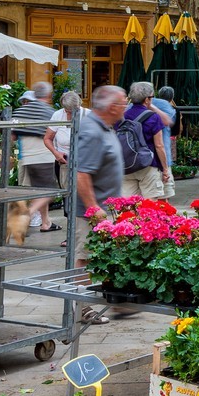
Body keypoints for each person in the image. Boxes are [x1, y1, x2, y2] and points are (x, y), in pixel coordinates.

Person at [73, 86, 126, 323]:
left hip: (107, 208)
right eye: (123, 103)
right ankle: (82, 308)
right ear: (112, 107)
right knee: (86, 257)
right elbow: (82, 174)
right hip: (93, 212)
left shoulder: (105, 127)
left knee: (107, 256)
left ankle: (116, 301)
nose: (125, 107)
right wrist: (94, 209)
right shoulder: (92, 131)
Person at [12, 81, 59, 233]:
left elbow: (12, 135)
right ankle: (27, 215)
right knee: (50, 191)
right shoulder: (49, 112)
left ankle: (46, 223)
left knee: (40, 191)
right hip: (45, 157)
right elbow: (56, 134)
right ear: (49, 95)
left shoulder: (21, 111)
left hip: (27, 158)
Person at [121, 81, 169, 197]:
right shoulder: (153, 117)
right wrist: (165, 169)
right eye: (152, 97)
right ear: (147, 100)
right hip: (148, 164)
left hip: (127, 165)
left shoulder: (122, 116)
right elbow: (159, 146)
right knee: (150, 204)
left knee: (128, 204)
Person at [44, 90, 87, 218]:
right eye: (67, 111)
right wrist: (56, 153)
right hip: (64, 161)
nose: (70, 114)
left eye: (73, 111)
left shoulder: (88, 115)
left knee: (83, 195)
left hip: (84, 163)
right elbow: (47, 139)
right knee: (67, 197)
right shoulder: (58, 115)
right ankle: (70, 227)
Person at [151, 85, 179, 196]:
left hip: (142, 159)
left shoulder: (131, 108)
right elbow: (159, 145)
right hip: (162, 155)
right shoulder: (169, 108)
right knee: (164, 194)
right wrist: (166, 169)